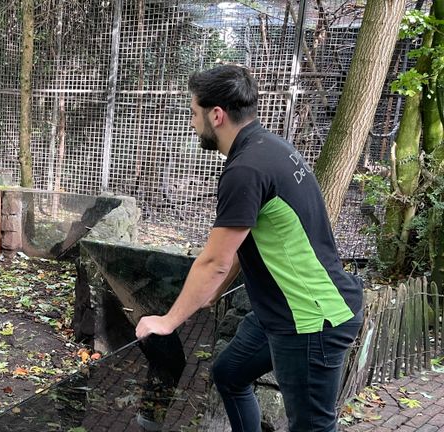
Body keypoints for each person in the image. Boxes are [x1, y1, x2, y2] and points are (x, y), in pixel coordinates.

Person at [134, 65, 364, 432]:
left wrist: (167, 322)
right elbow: (245, 244)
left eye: (194, 113)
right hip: (279, 310)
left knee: (313, 427)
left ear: (216, 115)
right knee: (229, 374)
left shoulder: (246, 169)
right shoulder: (268, 147)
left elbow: (214, 262)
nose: (193, 123)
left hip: (309, 319)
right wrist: (211, 296)